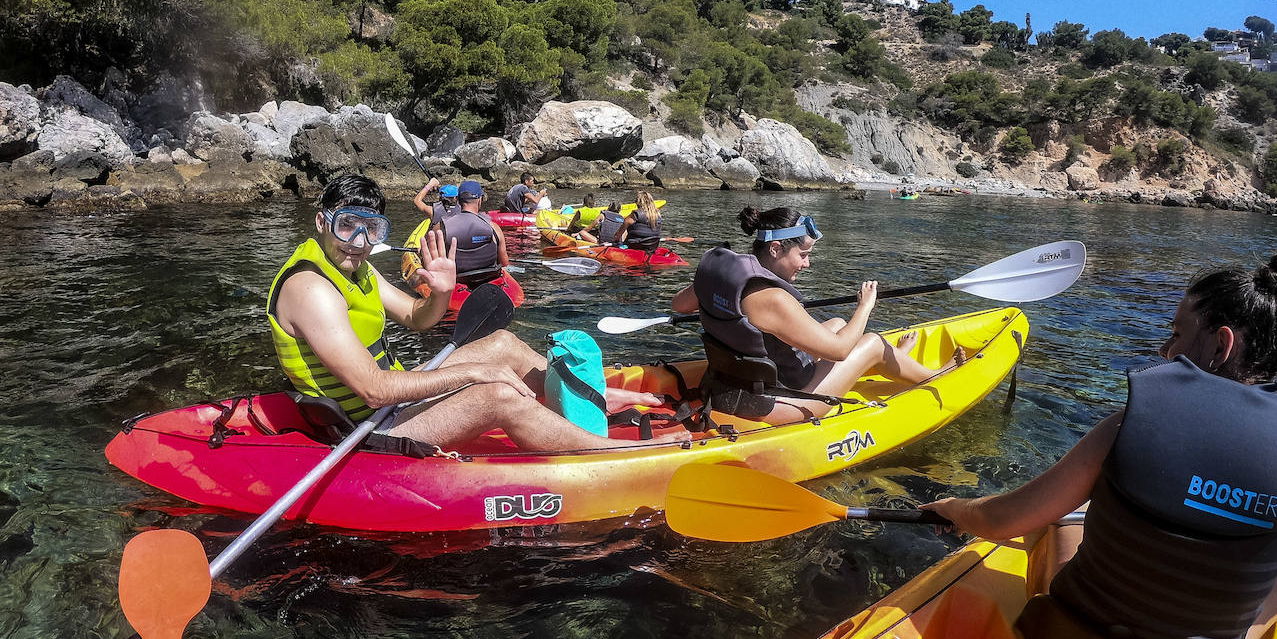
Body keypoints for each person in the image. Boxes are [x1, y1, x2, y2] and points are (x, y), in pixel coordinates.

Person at [924, 246, 1277, 639]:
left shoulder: (1123, 428)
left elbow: (999, 519)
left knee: (1062, 516)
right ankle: (1246, 630)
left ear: (1221, 344)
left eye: (1177, 334)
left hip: (1071, 638)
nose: (1164, 351)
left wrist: (952, 507)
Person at [266, 173, 665, 452]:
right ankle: (607, 451)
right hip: (368, 426)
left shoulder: (355, 266)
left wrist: (439, 293)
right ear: (322, 222)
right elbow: (374, 390)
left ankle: (588, 396)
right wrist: (473, 374)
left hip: (394, 402)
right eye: (347, 226)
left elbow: (416, 318)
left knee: (502, 344)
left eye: (371, 230)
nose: (358, 241)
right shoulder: (312, 288)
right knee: (497, 394)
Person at [670, 206, 954, 425]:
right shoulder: (774, 300)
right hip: (780, 402)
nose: (807, 263)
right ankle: (934, 375)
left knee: (837, 324)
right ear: (775, 248)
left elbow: (679, 305)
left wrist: (709, 283)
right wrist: (866, 305)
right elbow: (841, 351)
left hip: (728, 387)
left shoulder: (724, 275)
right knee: (871, 342)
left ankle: (893, 360)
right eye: (803, 254)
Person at [438, 180, 510, 288]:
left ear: (457, 200)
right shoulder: (494, 227)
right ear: (480, 200)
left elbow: (429, 258)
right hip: (490, 281)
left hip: (457, 282)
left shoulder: (442, 227)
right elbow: (504, 263)